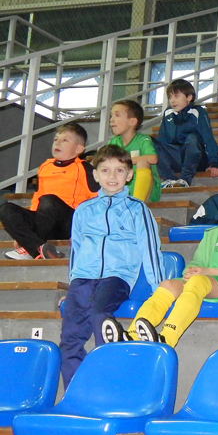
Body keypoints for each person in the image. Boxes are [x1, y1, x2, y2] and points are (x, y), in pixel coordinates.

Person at [102, 175, 218, 347]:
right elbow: (198, 262)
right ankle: (132, 334)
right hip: (205, 281)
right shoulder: (214, 233)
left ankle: (167, 337)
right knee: (168, 284)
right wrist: (191, 270)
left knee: (198, 281)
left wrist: (207, 272)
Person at [60, 145, 164, 387]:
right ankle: (77, 392)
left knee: (100, 317)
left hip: (117, 277)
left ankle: (110, 385)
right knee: (69, 337)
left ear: (129, 175)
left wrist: (159, 289)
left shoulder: (137, 209)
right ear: (96, 175)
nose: (112, 176)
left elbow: (150, 249)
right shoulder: (84, 210)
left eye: (119, 170)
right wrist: (71, 285)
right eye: (105, 170)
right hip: (83, 278)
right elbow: (76, 250)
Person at [0, 122, 98, 260]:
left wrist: (88, 230)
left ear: (79, 149)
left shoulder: (84, 168)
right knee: (6, 209)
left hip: (70, 224)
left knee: (48, 200)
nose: (58, 143)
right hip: (45, 223)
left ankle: (28, 248)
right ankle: (37, 249)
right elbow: (37, 199)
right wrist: (24, 231)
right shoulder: (45, 167)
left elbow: (97, 199)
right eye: (56, 139)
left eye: (65, 140)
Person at [154, 78, 218, 188]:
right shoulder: (168, 113)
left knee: (192, 138)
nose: (172, 100)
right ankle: (169, 179)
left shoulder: (198, 112)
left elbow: (208, 138)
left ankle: (185, 180)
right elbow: (162, 141)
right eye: (170, 97)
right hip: (176, 157)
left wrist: (214, 163)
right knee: (150, 142)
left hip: (196, 160)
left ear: (189, 97)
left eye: (176, 96)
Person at [108, 99, 160, 202]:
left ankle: (137, 204)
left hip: (145, 190)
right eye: (111, 115)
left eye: (117, 115)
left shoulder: (143, 140)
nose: (111, 119)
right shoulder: (113, 142)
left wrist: (124, 161)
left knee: (142, 163)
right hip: (121, 186)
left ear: (132, 122)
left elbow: (153, 158)